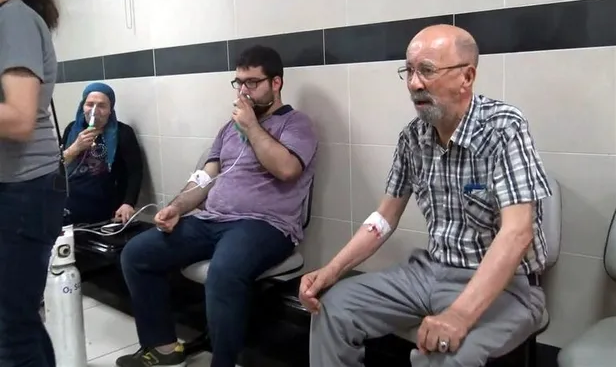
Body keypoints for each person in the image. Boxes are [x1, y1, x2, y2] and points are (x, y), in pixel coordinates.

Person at [300, 24, 551, 367]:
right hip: (429, 271)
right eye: (410, 71)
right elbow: (384, 218)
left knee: (446, 355)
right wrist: (331, 270)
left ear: (466, 77)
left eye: (427, 70)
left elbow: (518, 232)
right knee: (334, 308)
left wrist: (459, 315)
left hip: (506, 286)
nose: (414, 84)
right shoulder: (413, 138)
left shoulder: (503, 127)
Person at [116, 45, 318, 367]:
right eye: (239, 83)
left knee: (224, 272)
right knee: (137, 254)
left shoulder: (296, 124)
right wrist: (177, 207)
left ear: (276, 83)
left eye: (253, 83)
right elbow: (206, 176)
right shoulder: (228, 129)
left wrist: (252, 127)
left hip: (265, 226)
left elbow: (287, 169)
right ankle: (164, 348)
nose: (243, 91)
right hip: (212, 220)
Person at [0, 0, 64, 367]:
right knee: (16, 319)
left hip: (24, 190)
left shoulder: (14, 20)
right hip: (15, 187)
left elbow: (19, 118)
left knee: (10, 330)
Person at [61, 82, 144, 225]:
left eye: (101, 105)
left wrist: (128, 203)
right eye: (90, 104)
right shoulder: (71, 130)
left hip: (107, 208)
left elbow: (135, 172)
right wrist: (75, 147)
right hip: (70, 204)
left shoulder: (123, 133)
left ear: (110, 110)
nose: (94, 110)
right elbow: (58, 166)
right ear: (82, 107)